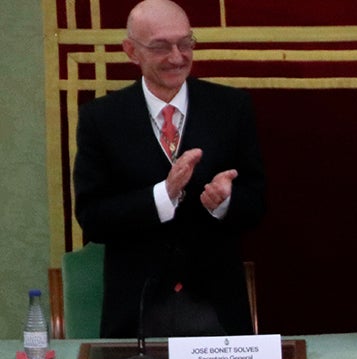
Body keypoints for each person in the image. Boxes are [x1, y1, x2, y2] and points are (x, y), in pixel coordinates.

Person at [73, 0, 266, 339]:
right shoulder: (100, 118)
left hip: (218, 313)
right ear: (131, 51)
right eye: (161, 47)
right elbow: (93, 218)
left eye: (185, 43)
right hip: (135, 315)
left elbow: (257, 204)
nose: (177, 57)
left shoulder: (231, 107)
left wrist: (224, 202)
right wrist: (163, 195)